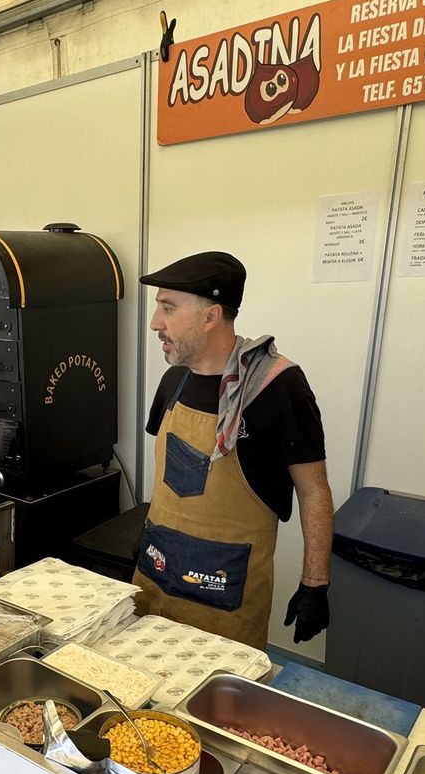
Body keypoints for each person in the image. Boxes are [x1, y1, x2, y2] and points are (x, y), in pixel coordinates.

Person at [137, 251, 333, 650]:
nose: (156, 323)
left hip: (226, 597)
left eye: (168, 308)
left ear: (210, 317)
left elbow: (314, 491)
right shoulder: (172, 382)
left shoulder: (279, 388)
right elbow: (167, 485)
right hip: (157, 578)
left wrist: (315, 583)